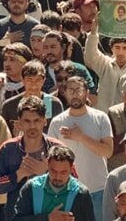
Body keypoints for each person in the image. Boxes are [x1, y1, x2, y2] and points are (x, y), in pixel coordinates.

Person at [47, 76, 113, 216]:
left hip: (98, 190)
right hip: (67, 191)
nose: (75, 94)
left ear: (87, 92)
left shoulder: (101, 118)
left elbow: (108, 151)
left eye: (79, 90)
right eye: (70, 90)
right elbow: (50, 158)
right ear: (64, 93)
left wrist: (81, 137)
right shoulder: (57, 122)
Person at [12, 145, 96, 221]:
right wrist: (48, 218)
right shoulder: (31, 188)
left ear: (72, 169)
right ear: (47, 165)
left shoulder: (81, 193)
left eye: (63, 172)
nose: (58, 177)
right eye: (53, 171)